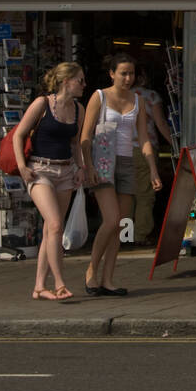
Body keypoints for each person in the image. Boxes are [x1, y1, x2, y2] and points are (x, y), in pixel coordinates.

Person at [80, 53, 162, 296]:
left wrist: (153, 169)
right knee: (112, 220)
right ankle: (91, 271)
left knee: (120, 225)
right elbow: (85, 136)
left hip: (128, 160)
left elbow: (144, 139)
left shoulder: (139, 100)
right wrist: (89, 167)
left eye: (132, 73)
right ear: (112, 74)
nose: (128, 78)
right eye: (123, 73)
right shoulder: (99, 96)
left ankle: (108, 279)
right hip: (103, 160)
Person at [13, 62, 86, 301]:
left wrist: (80, 168)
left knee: (51, 230)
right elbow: (19, 135)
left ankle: (39, 287)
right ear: (66, 81)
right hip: (39, 170)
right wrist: (23, 167)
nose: (84, 85)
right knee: (55, 225)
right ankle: (60, 283)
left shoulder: (78, 109)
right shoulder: (42, 104)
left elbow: (75, 143)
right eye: (80, 80)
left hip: (65, 171)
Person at [133, 67, 177, 245]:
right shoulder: (150, 96)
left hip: (120, 150)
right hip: (145, 148)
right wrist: (175, 144)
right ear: (142, 78)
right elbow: (160, 124)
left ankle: (123, 235)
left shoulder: (120, 96)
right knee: (145, 194)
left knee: (126, 195)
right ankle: (140, 235)